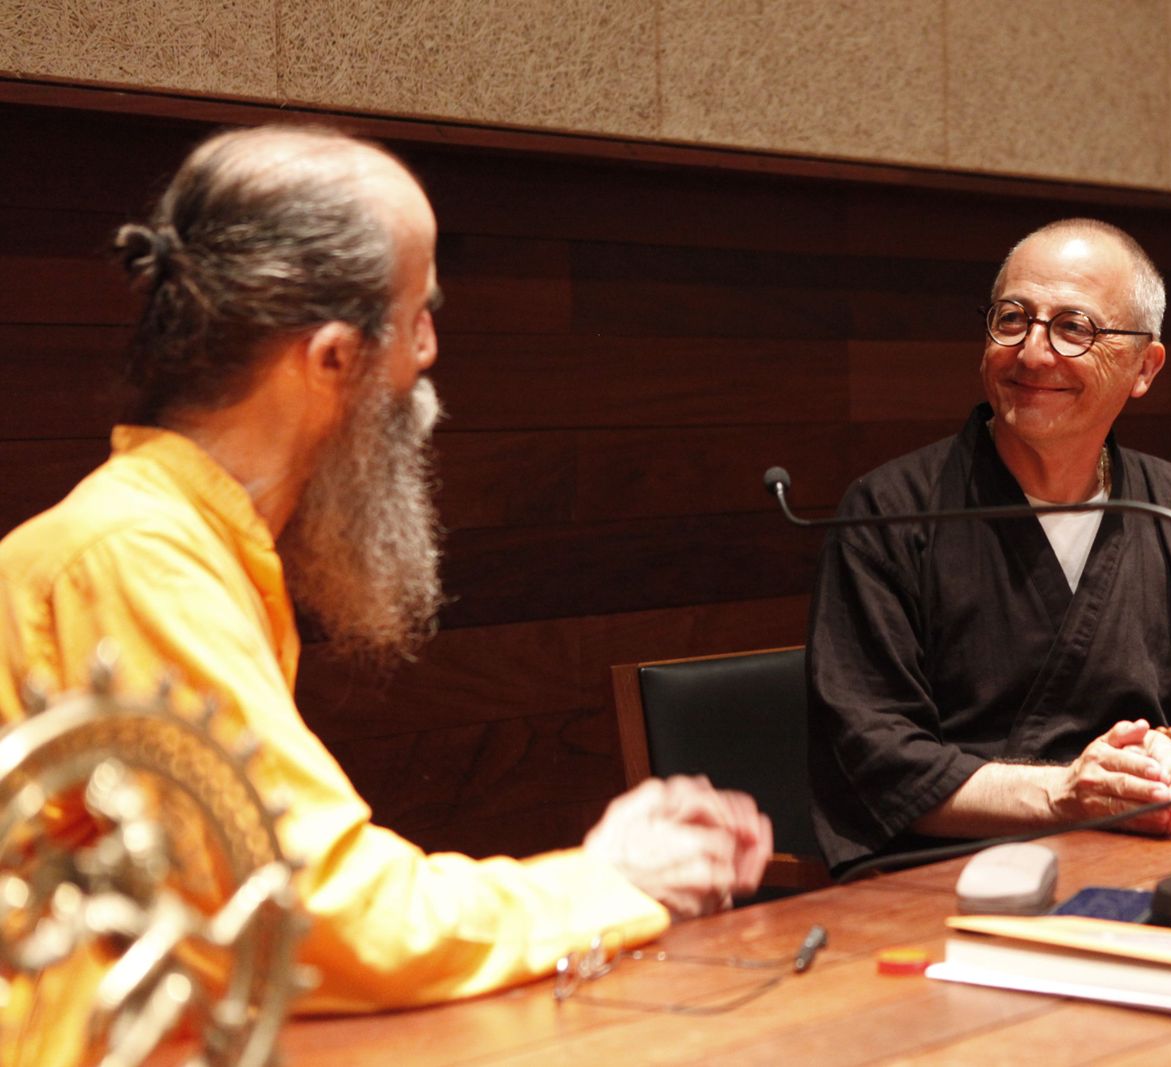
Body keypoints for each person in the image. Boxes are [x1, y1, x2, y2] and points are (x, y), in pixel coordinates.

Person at [0, 125, 771, 1021]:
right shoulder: (131, 557)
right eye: (416, 317)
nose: (430, 352)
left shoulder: (181, 540)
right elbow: (314, 911)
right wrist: (606, 880)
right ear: (331, 355)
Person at [808, 218, 1171, 874]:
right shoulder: (888, 514)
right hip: (951, 878)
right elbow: (875, 751)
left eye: (1074, 327)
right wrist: (1067, 793)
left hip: (1156, 856)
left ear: (1144, 367)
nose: (1033, 353)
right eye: (1012, 318)